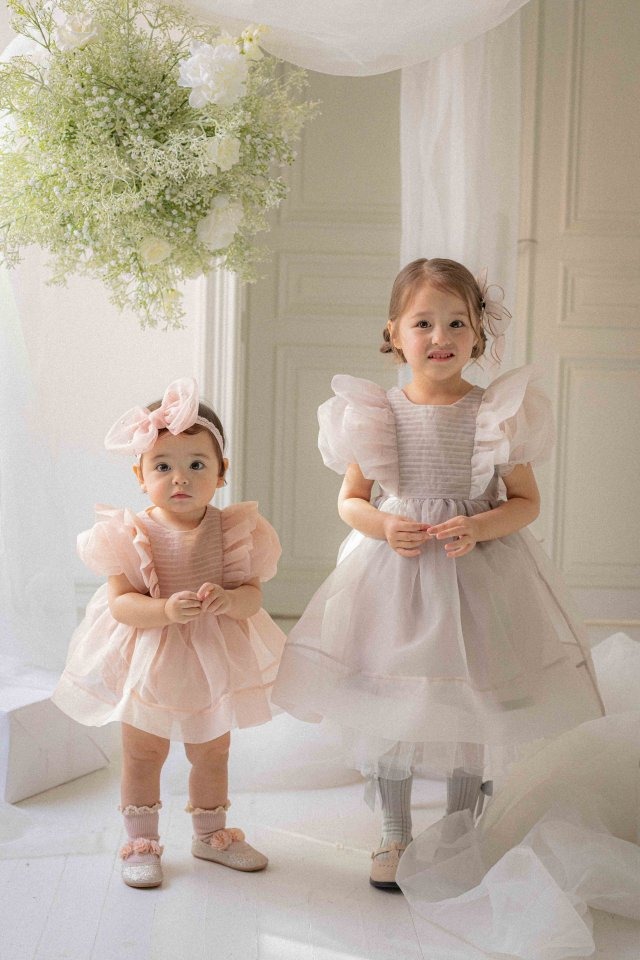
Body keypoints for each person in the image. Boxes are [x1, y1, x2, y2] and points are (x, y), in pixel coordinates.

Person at [272, 258, 604, 890]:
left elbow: (525, 502)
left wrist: (480, 526)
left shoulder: (495, 412)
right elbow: (351, 500)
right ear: (394, 333)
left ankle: (459, 827)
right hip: (393, 578)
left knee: (469, 701)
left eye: (457, 322)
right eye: (423, 322)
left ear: (478, 334)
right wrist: (381, 524)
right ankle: (394, 830)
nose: (440, 336)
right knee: (390, 703)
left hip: (476, 577)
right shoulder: (377, 413)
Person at [53, 378, 286, 888]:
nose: (179, 478)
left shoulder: (235, 530)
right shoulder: (129, 533)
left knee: (212, 750)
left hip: (211, 657)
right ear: (140, 475)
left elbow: (252, 595)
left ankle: (211, 834)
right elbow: (121, 604)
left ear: (221, 473)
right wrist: (163, 609)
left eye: (196, 465)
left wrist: (230, 601)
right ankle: (141, 841)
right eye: (162, 466)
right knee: (143, 752)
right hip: (150, 656)